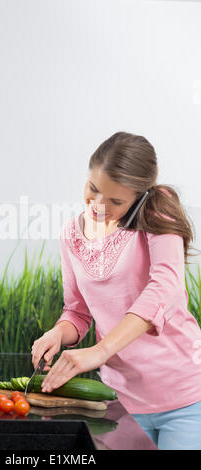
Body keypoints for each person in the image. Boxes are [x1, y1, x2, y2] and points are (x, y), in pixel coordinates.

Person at [31, 131, 201, 450]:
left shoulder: (155, 211)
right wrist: (57, 334)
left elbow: (165, 284)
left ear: (138, 198)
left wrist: (101, 351)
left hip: (186, 399)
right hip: (119, 403)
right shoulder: (71, 234)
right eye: (93, 189)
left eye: (116, 201)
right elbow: (77, 312)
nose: (98, 205)